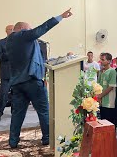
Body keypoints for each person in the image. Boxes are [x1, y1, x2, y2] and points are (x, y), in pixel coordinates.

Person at [6, 8, 72, 148]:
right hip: (32, 81)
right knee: (43, 111)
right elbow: (42, 28)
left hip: (17, 83)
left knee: (17, 114)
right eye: (28, 29)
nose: (31, 33)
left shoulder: (9, 41)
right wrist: (60, 17)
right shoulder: (22, 35)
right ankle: (47, 138)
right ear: (22, 29)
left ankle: (13, 141)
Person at [0, 25, 14, 122]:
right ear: (6, 31)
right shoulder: (0, 42)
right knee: (3, 94)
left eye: (14, 29)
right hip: (6, 73)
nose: (13, 31)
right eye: (11, 29)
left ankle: (15, 112)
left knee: (17, 94)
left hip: (19, 73)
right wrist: (9, 54)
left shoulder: (19, 42)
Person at [97, 53, 117, 125]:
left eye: (103, 60)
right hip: (102, 102)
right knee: (103, 123)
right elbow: (98, 85)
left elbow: (111, 87)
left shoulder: (112, 71)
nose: (101, 61)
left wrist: (100, 96)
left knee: (109, 124)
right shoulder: (101, 71)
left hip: (109, 103)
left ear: (109, 61)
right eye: (101, 59)